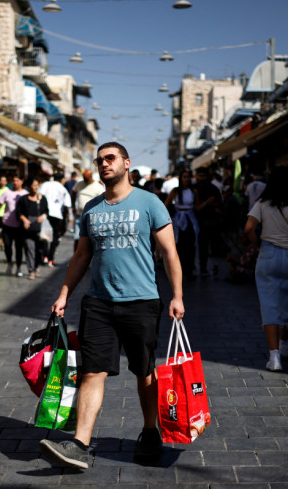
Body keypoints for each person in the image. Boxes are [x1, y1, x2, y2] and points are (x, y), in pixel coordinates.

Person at [38, 142, 185, 469]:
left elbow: (170, 252)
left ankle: (150, 432)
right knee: (92, 372)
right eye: (99, 160)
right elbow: (81, 256)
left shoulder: (150, 203)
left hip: (142, 301)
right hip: (99, 304)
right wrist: (64, 293)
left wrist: (177, 295)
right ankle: (80, 444)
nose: (104, 164)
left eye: (110, 158)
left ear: (126, 163)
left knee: (144, 372)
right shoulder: (91, 208)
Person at [244, 166, 288, 372]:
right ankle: (284, 342)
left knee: (269, 306)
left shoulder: (262, 203)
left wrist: (258, 244)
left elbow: (248, 228)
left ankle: (274, 357)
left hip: (268, 255)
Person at [165, 169, 200, 279]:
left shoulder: (194, 191)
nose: (186, 179)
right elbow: (166, 204)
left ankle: (189, 270)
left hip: (190, 220)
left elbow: (197, 206)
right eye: (184, 177)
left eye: (188, 177)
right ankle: (178, 270)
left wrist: (208, 202)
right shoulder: (175, 191)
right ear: (181, 179)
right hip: (178, 221)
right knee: (179, 245)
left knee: (190, 246)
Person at [16, 176, 48, 280]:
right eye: (33, 186)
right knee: (29, 249)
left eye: (36, 185)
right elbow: (19, 212)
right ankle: (31, 271)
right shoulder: (24, 199)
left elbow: (46, 211)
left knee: (40, 250)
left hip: (40, 228)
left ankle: (37, 265)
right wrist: (24, 220)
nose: (35, 187)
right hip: (28, 228)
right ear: (29, 187)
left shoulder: (42, 199)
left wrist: (43, 216)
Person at [0, 175, 28, 276]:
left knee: (19, 247)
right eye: (13, 181)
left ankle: (18, 267)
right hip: (7, 224)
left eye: (17, 181)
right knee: (7, 245)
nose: (15, 183)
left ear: (22, 181)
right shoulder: (7, 192)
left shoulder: (25, 194)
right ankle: (9, 263)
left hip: (19, 226)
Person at [193, 167, 222, 276]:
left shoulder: (213, 189)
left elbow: (219, 203)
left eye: (203, 176)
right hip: (197, 221)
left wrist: (211, 205)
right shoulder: (193, 188)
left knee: (211, 246)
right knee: (201, 245)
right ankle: (201, 267)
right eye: (200, 176)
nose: (202, 178)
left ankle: (206, 267)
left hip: (211, 221)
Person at [39, 173, 71, 267]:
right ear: (61, 179)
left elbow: (39, 196)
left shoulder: (46, 184)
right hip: (57, 216)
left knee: (45, 236)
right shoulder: (63, 189)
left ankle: (44, 257)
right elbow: (67, 205)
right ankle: (51, 259)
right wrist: (66, 220)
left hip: (46, 214)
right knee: (55, 238)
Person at [71, 169, 104, 251]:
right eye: (84, 178)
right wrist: (73, 207)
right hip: (79, 215)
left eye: (87, 178)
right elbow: (73, 192)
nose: (85, 181)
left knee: (89, 240)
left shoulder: (98, 187)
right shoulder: (79, 184)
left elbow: (102, 202)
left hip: (91, 218)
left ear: (91, 177)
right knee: (76, 238)